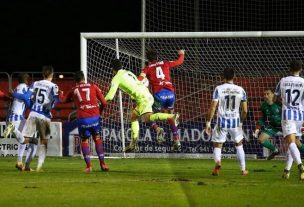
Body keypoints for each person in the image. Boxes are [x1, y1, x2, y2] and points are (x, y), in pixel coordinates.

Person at [105, 59, 180, 153]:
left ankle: (172, 116)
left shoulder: (116, 78)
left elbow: (110, 97)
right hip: (147, 95)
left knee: (147, 118)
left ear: (113, 69)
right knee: (133, 117)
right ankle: (133, 143)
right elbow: (136, 84)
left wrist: (100, 103)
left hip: (143, 99)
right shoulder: (128, 72)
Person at [61, 71, 109, 172]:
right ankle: (103, 164)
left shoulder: (73, 90)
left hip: (83, 119)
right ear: (84, 78)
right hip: (95, 117)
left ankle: (88, 166)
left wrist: (60, 94)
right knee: (97, 138)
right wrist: (99, 113)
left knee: (84, 140)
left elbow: (63, 100)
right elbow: (104, 102)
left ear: (75, 81)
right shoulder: (94, 86)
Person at [205, 68, 248, 176]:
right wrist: (241, 123)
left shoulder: (218, 89)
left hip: (222, 122)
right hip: (235, 122)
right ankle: (243, 170)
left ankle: (218, 163)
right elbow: (245, 110)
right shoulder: (240, 90)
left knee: (217, 145)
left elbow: (213, 108)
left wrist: (208, 123)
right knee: (239, 145)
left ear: (222, 77)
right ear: (234, 77)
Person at [138, 48, 185, 147]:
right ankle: (177, 140)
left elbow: (139, 79)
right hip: (171, 95)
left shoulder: (147, 68)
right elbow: (180, 61)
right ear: (157, 57)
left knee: (146, 117)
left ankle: (157, 129)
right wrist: (181, 53)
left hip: (159, 96)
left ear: (148, 59)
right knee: (169, 115)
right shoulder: (166, 63)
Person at [21, 65, 61, 172]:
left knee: (27, 139)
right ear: (52, 75)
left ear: (43, 74)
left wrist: (32, 104)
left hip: (33, 113)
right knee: (44, 142)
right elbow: (57, 100)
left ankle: (27, 165)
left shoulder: (35, 83)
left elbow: (26, 97)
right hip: (44, 115)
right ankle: (39, 167)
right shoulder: (54, 86)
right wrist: (51, 105)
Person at [275, 60, 304, 180]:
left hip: (287, 115)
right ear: (301, 70)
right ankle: (287, 171)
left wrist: (285, 103)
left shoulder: (283, 80)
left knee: (291, 143)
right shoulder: (303, 82)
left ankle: (301, 166)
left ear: (289, 69)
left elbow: (276, 98)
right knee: (294, 143)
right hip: (300, 115)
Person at [3, 73, 32, 170]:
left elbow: (24, 101)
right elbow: (25, 99)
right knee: (25, 139)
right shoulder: (24, 88)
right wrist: (29, 104)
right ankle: (12, 128)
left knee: (24, 140)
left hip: (16, 117)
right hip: (17, 117)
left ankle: (19, 162)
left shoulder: (16, 88)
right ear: (27, 81)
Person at [253, 89, 281, 160]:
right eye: (264, 94)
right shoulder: (264, 105)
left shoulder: (280, 104)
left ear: (273, 95)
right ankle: (276, 151)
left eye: (268, 94)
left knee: (296, 143)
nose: (265, 96)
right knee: (260, 140)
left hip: (285, 126)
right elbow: (263, 118)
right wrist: (257, 128)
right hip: (273, 126)